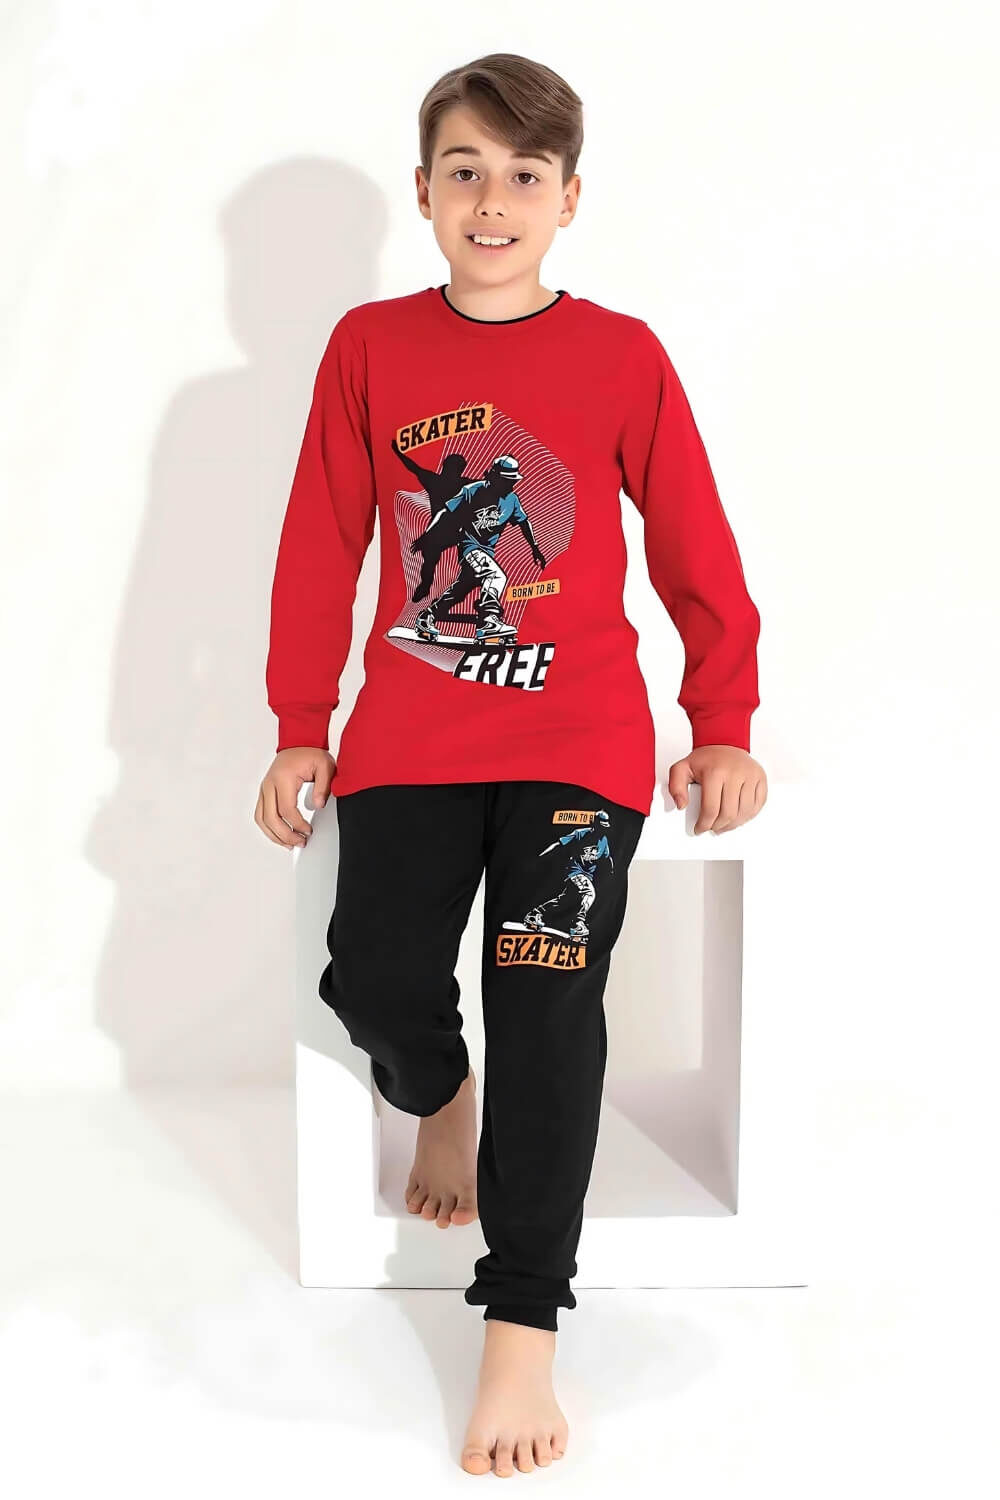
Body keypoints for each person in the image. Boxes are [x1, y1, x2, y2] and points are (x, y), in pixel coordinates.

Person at [254, 52, 767, 1478]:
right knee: (374, 974)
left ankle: (522, 1324)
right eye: (466, 171)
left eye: (524, 175)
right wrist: (299, 720)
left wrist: (723, 718)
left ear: (569, 199)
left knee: (546, 1005)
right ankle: (438, 1099)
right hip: (410, 739)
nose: (493, 199)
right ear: (423, 192)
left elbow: (693, 539)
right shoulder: (369, 347)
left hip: (578, 749)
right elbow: (321, 539)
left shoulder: (621, 355)